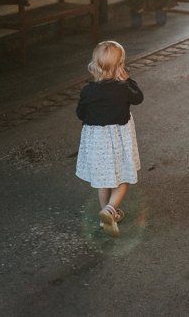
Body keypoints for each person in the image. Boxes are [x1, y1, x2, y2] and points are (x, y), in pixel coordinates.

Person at [75, 40, 143, 237]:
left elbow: (81, 113)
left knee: (103, 178)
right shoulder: (123, 88)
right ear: (120, 66)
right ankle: (110, 209)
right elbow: (138, 98)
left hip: (97, 141)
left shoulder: (88, 91)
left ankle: (105, 214)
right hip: (119, 139)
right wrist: (128, 80)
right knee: (124, 176)